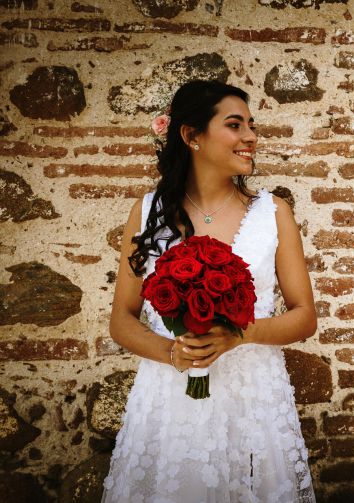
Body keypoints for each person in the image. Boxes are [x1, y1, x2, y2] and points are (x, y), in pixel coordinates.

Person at [101, 80, 318, 502]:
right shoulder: (147, 213)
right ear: (191, 136)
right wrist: (170, 352)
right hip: (169, 393)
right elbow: (121, 319)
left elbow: (304, 315)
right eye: (235, 125)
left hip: (252, 395)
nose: (251, 137)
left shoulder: (273, 213)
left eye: (251, 126)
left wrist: (241, 334)